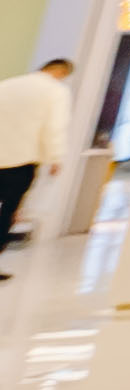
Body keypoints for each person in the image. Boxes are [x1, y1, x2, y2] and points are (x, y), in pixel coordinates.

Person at [0, 57, 64, 257]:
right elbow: (55, 127)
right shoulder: (55, 91)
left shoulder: (7, 85)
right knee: (8, 211)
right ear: (60, 73)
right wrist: (55, 157)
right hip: (21, 161)